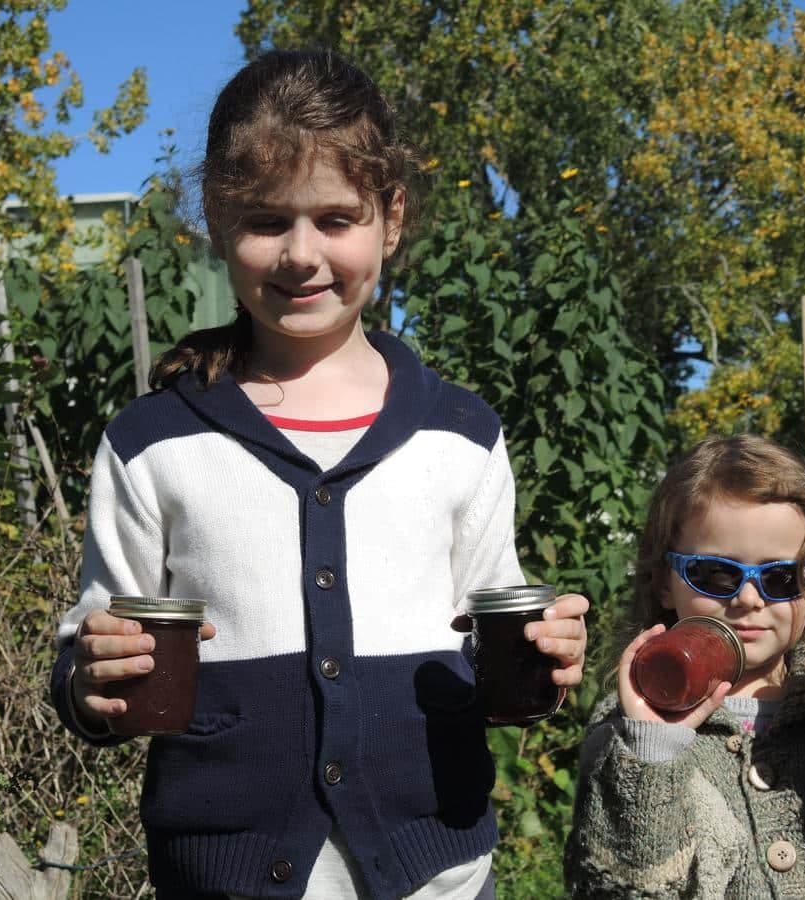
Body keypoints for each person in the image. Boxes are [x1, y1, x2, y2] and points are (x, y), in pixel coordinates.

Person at [50, 48, 588, 900]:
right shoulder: (152, 441)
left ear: (392, 219)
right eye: (267, 221)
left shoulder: (462, 435)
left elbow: (494, 622)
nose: (301, 254)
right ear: (217, 223)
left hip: (434, 873)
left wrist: (548, 658)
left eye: (337, 219)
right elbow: (94, 632)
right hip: (222, 873)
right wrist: (91, 675)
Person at [564, 435, 805, 898]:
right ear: (663, 582)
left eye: (781, 577)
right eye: (715, 573)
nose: (747, 598)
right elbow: (610, 890)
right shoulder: (627, 729)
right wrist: (652, 754)